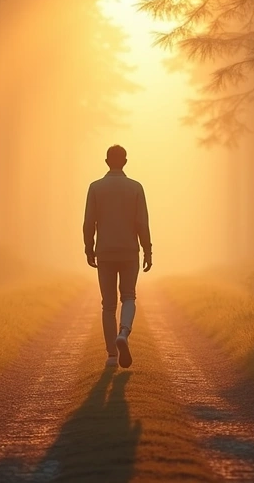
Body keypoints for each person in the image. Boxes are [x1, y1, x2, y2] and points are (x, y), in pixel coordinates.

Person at [83, 144, 153, 369]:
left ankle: (112, 356)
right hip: (129, 251)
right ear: (125, 162)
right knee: (129, 296)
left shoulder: (95, 188)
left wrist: (89, 248)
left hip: (105, 251)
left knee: (108, 304)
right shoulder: (136, 188)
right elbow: (142, 223)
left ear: (106, 162)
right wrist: (148, 250)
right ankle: (123, 332)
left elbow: (89, 223)